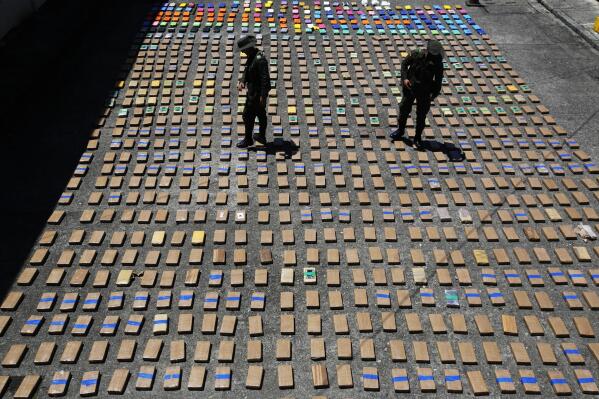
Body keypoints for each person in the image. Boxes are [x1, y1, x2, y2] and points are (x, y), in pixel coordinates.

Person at [390, 39, 444, 148]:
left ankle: (417, 137)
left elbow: (438, 80)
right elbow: (404, 64)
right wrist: (405, 79)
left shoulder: (438, 62)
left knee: (421, 115)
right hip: (410, 87)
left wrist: (433, 95)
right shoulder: (417, 53)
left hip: (425, 91)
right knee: (404, 109)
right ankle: (400, 131)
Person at [236, 35, 272, 148]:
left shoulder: (260, 60)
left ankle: (248, 139)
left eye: (243, 49)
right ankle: (261, 136)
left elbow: (265, 79)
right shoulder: (252, 55)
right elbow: (247, 69)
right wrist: (243, 81)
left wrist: (263, 96)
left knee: (247, 116)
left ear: (248, 48)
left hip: (256, 94)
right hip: (253, 91)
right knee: (260, 114)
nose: (242, 51)